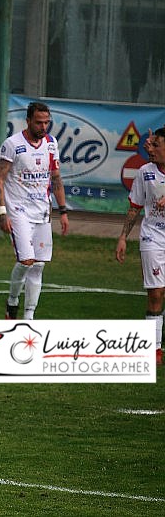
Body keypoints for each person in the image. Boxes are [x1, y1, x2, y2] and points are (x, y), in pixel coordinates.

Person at [0, 101, 69, 320]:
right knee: (26, 261)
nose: (43, 127)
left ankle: (29, 317)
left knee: (39, 266)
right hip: (18, 212)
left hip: (42, 212)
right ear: (28, 121)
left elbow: (55, 177)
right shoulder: (12, 145)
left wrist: (63, 211)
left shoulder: (51, 144)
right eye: (39, 122)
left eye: (46, 122)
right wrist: (2, 212)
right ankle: (12, 302)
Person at [115, 127, 165, 367]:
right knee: (156, 293)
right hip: (152, 237)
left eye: (156, 145)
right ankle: (154, 348)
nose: (150, 149)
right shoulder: (145, 173)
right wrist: (123, 237)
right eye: (151, 145)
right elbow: (135, 207)